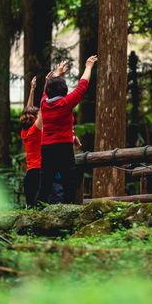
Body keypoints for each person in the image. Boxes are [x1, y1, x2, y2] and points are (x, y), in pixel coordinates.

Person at [36, 56, 98, 204]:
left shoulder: (44, 103)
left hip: (46, 147)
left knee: (46, 180)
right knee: (69, 179)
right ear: (63, 90)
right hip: (63, 146)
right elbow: (82, 85)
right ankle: (68, 208)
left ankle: (37, 208)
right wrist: (88, 66)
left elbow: (47, 89)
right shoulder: (66, 103)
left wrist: (57, 73)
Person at [20, 76, 43, 207]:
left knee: (31, 209)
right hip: (39, 174)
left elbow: (28, 111)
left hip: (30, 175)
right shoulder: (35, 130)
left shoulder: (25, 132)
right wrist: (47, 86)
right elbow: (43, 109)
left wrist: (32, 90)